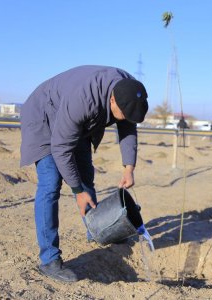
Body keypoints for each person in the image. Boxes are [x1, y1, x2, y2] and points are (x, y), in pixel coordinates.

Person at [20, 65, 149, 282]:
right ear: (112, 101)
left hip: (74, 122)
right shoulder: (83, 100)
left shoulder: (129, 89)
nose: (124, 118)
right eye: (122, 114)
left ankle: (99, 230)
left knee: (86, 176)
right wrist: (77, 190)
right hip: (44, 116)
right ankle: (49, 259)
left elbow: (127, 128)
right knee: (50, 184)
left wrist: (129, 167)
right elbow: (61, 148)